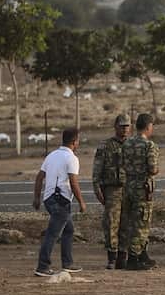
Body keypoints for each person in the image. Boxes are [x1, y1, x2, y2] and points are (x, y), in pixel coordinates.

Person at [33, 128, 89, 276]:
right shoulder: (71, 158)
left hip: (49, 199)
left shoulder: (52, 155)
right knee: (52, 233)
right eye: (78, 140)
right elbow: (73, 181)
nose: (78, 143)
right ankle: (43, 266)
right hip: (60, 200)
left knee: (68, 229)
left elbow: (39, 177)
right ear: (74, 141)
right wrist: (81, 202)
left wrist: (37, 198)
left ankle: (67, 263)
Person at [122, 113, 161, 270]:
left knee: (131, 221)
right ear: (148, 126)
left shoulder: (127, 143)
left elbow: (123, 164)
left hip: (129, 185)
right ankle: (133, 258)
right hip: (142, 188)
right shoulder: (149, 146)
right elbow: (152, 168)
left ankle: (142, 254)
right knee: (142, 223)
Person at [92, 113, 131, 268]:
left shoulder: (133, 145)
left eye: (127, 126)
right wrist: (97, 188)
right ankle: (112, 257)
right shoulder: (106, 146)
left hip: (129, 189)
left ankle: (123, 256)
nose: (125, 129)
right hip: (112, 190)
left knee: (127, 224)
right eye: (122, 126)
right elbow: (97, 169)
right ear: (115, 127)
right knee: (111, 223)